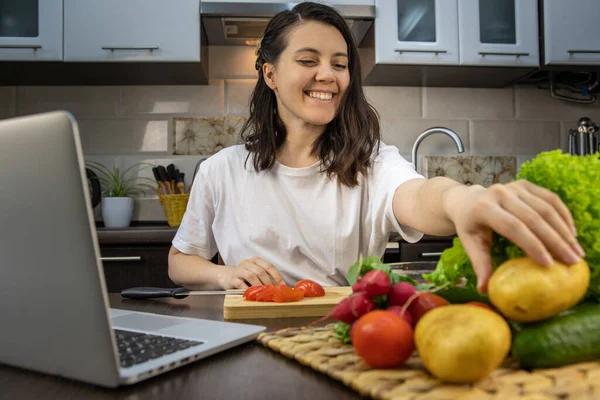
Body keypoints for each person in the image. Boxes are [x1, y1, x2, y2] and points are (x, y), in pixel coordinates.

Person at [168, 1, 585, 293]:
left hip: (338, 336)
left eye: (340, 62)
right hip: (242, 333)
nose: (327, 75)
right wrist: (225, 276)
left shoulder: (373, 163)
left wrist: (463, 200)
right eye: (308, 60)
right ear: (270, 74)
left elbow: (419, 196)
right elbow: (180, 262)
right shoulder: (221, 169)